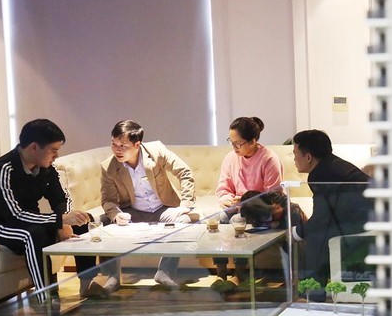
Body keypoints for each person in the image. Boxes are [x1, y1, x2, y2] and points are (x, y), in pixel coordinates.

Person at [0, 119, 91, 307]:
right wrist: (58, 220)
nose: (56, 156)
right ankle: (46, 299)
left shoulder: (46, 168)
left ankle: (87, 283)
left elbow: (61, 198)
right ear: (34, 147)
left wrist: (65, 221)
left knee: (80, 220)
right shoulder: (2, 170)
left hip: (27, 221)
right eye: (53, 150)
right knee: (33, 234)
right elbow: (15, 215)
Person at [99, 120, 196, 288]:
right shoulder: (109, 166)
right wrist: (116, 214)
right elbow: (108, 200)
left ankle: (165, 273)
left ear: (137, 145)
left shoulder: (156, 151)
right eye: (113, 144)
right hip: (133, 211)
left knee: (183, 221)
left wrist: (185, 204)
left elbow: (185, 172)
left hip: (163, 208)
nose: (117, 150)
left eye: (123, 146)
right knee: (105, 221)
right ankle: (113, 277)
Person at [291, 129, 370, 285]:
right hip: (369, 217)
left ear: (308, 157)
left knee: (316, 239)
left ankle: (313, 290)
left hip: (361, 224)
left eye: (295, 154)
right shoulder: (332, 164)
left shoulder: (320, 175)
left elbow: (322, 217)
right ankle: (312, 287)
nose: (294, 159)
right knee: (317, 234)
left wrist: (296, 232)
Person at [211, 117, 282, 290]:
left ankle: (240, 273)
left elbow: (273, 195)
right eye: (231, 142)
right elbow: (223, 188)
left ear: (253, 141)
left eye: (238, 143)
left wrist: (245, 202)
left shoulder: (268, 159)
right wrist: (226, 198)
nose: (234, 147)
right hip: (236, 205)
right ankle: (221, 272)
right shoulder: (231, 158)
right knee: (218, 218)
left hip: (259, 209)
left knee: (237, 220)